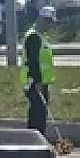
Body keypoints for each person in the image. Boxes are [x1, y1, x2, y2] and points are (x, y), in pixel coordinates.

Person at [24, 7, 56, 136]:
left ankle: (38, 138)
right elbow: (33, 61)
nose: (50, 26)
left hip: (41, 82)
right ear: (41, 20)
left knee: (41, 112)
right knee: (38, 113)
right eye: (48, 22)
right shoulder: (34, 37)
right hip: (35, 82)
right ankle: (34, 138)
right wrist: (37, 81)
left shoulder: (40, 37)